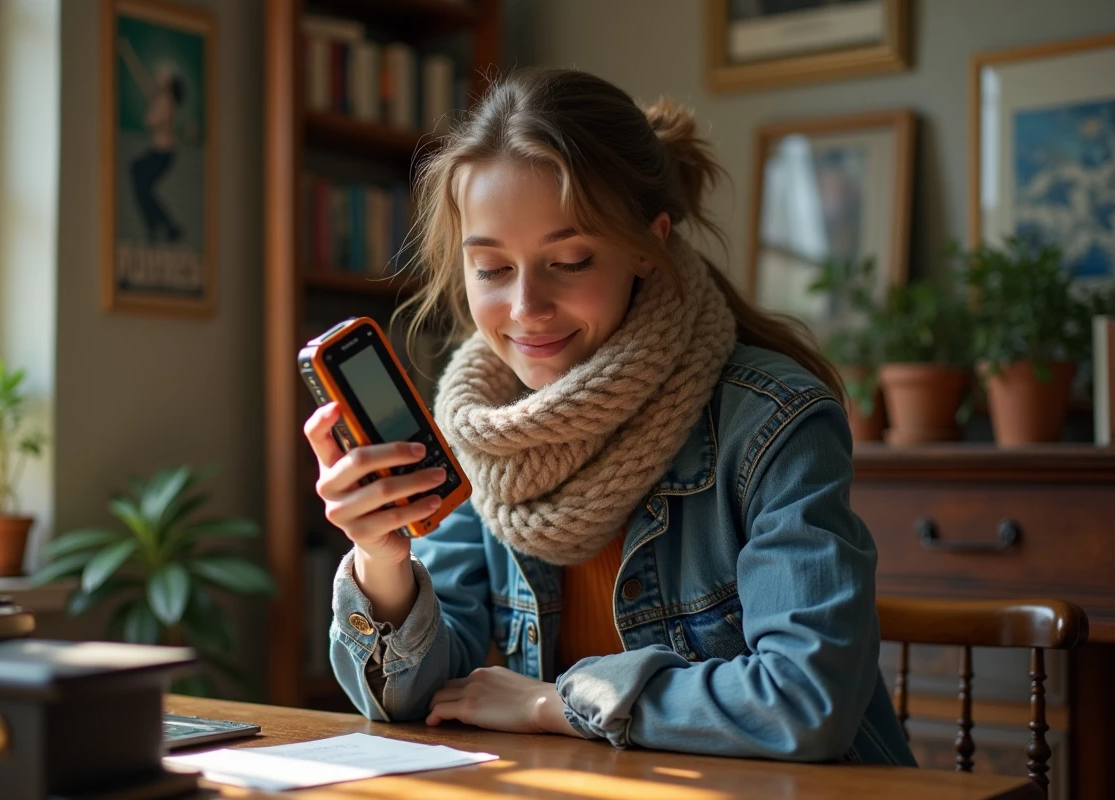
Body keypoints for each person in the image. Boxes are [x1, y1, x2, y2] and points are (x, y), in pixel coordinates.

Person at [304, 67, 916, 765]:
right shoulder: (489, 428)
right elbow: (417, 697)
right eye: (492, 269)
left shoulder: (774, 420)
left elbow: (807, 702)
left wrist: (554, 704)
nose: (526, 307)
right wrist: (382, 558)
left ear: (646, 249)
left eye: (569, 260)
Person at [119, 37, 185, 243]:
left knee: (143, 187)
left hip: (163, 154)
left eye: (163, 74)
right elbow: (142, 80)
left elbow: (152, 120)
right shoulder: (161, 99)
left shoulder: (166, 102)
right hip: (159, 152)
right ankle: (161, 226)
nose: (159, 75)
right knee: (141, 183)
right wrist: (127, 54)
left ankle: (162, 225)